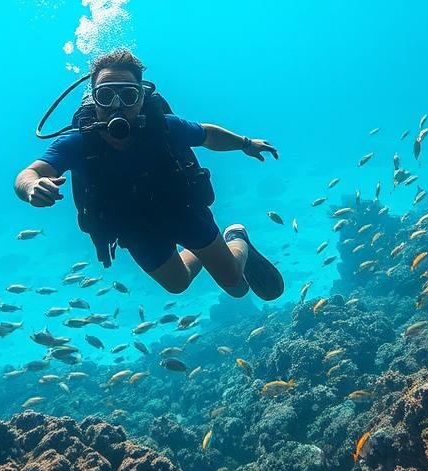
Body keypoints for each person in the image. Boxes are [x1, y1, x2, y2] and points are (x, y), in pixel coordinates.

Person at [15, 49, 285, 300]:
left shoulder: (165, 127)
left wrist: (246, 143)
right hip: (134, 227)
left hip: (182, 209)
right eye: (106, 96)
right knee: (178, 284)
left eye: (129, 95)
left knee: (235, 286)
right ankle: (213, 249)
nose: (117, 106)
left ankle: (236, 238)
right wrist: (31, 187)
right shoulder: (77, 143)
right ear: (93, 99)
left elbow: (207, 134)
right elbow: (29, 173)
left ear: (141, 97)